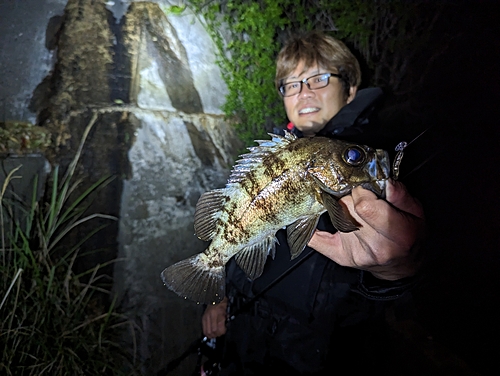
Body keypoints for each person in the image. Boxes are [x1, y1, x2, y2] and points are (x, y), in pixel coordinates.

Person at [201, 31, 426, 375]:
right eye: (290, 84)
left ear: (350, 88)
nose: (303, 92)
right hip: (244, 348)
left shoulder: (381, 170)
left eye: (318, 78)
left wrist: (395, 271)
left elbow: (417, 304)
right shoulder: (269, 159)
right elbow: (239, 235)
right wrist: (217, 298)